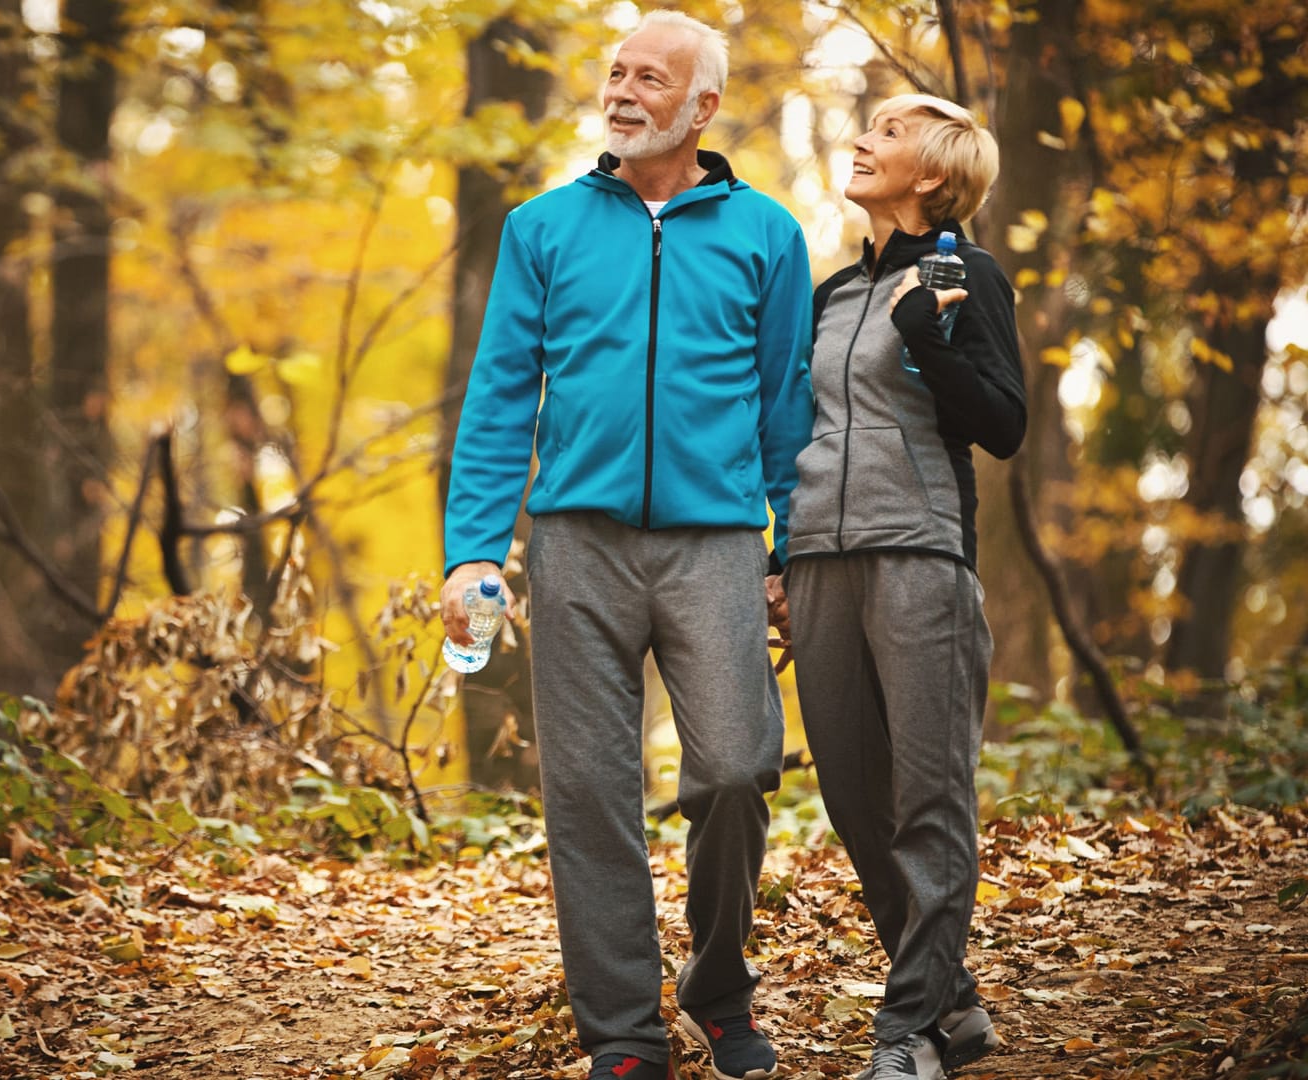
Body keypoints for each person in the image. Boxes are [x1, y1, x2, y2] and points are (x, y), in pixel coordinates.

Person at [439, 11, 812, 1080]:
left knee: (738, 767)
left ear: (701, 107)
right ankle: (621, 1035)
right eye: (615, 72)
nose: (624, 90)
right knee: (591, 793)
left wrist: (792, 552)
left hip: (717, 546)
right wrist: (474, 549)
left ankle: (718, 984)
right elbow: (503, 395)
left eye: (652, 77)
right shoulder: (542, 227)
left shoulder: (767, 235)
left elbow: (785, 405)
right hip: (575, 545)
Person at [772, 94, 1025, 1080]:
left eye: (888, 130)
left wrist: (927, 336)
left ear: (935, 172)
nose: (862, 138)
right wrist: (777, 557)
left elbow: (1002, 424)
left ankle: (908, 1028)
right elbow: (800, 436)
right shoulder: (834, 296)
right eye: (864, 124)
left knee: (930, 798)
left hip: (921, 555)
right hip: (820, 567)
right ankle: (953, 1002)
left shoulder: (967, 280)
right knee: (852, 799)